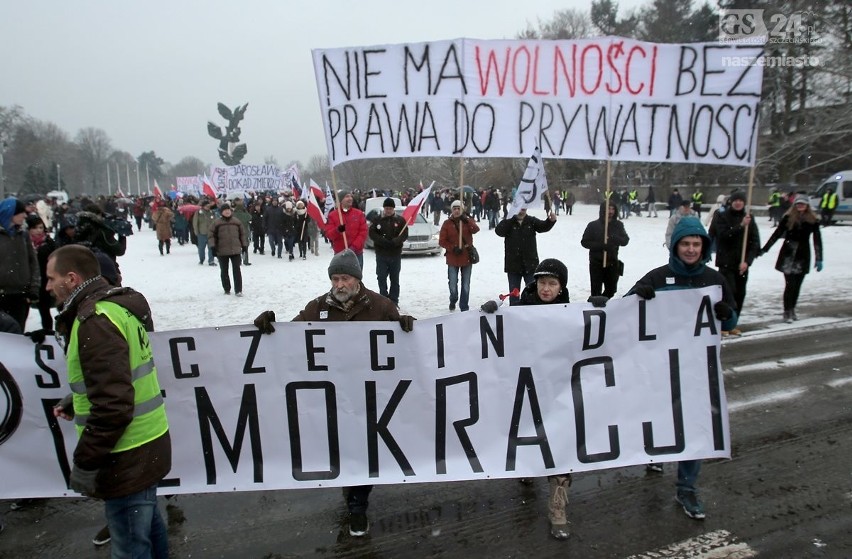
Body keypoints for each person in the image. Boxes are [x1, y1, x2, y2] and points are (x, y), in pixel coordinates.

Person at [253, 248, 415, 537]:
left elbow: (403, 344)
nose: (339, 285)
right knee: (344, 447)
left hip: (369, 397)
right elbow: (290, 337)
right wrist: (269, 326)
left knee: (365, 450)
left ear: (357, 279)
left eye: (344, 279)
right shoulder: (317, 308)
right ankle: (350, 486)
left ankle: (358, 506)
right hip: (333, 397)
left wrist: (407, 327)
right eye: (334, 279)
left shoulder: (380, 306)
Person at [46, 244, 171, 558]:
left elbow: (114, 406)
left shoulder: (96, 321)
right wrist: (80, 397)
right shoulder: (114, 308)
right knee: (147, 525)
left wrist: (86, 462)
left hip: (126, 453)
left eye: (51, 278)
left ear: (72, 278)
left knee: (130, 545)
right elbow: (119, 376)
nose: (47, 286)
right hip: (145, 442)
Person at [626, 216, 737, 521]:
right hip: (659, 369)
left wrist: (726, 315)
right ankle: (656, 453)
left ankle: (686, 488)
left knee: (695, 427)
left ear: (704, 246)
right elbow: (622, 313)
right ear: (675, 246)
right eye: (685, 243)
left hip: (697, 370)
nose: (690, 249)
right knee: (661, 418)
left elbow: (731, 320)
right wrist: (639, 294)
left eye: (696, 244)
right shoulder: (658, 277)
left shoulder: (715, 280)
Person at [759, 194, 823, 322]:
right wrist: (765, 249)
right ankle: (787, 310)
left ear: (807, 206)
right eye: (798, 204)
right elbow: (777, 234)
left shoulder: (812, 220)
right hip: (788, 254)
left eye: (803, 204)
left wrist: (819, 258)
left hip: (803, 254)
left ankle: (792, 308)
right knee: (790, 285)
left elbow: (817, 240)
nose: (800, 206)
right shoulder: (788, 218)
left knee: (797, 285)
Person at [711, 190, 760, 334]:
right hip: (726, 263)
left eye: (741, 200)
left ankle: (733, 323)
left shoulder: (749, 218)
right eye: (735, 200)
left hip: (742, 265)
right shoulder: (722, 216)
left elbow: (754, 242)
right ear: (731, 202)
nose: (738, 203)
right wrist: (741, 226)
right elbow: (723, 236)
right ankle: (723, 323)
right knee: (728, 294)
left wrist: (747, 262)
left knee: (740, 294)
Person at [495, 207, 557, 305]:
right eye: (519, 209)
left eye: (523, 209)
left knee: (532, 293)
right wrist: (510, 219)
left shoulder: (531, 221)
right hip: (513, 265)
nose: (521, 211)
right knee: (514, 294)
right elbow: (499, 231)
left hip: (530, 264)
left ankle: (531, 313)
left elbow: (543, 227)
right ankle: (515, 313)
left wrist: (551, 221)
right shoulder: (509, 222)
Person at [0, 198, 39, 330]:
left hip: (21, 296)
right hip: (1, 295)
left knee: (17, 332)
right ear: (10, 213)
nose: (25, 215)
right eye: (21, 212)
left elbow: (33, 262)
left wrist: (33, 289)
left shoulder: (23, 235)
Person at [580, 200, 629, 299]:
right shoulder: (593, 225)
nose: (610, 211)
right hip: (596, 263)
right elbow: (584, 242)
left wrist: (614, 238)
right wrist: (601, 245)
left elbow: (625, 241)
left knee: (611, 290)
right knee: (596, 290)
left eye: (612, 209)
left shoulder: (618, 225)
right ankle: (595, 306)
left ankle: (604, 302)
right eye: (608, 209)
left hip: (612, 262)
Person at [439, 200, 480, 311]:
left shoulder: (467, 221)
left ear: (462, 210)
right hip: (453, 258)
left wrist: (467, 220)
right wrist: (453, 248)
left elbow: (476, 229)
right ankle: (453, 299)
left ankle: (464, 307)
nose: (456, 211)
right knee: (453, 285)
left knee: (465, 284)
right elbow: (442, 241)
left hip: (466, 257)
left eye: (459, 208)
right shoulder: (447, 224)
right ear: (452, 210)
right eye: (454, 208)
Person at [368, 197, 408, 305]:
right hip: (381, 254)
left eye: (390, 208)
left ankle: (394, 301)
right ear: (384, 208)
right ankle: (383, 299)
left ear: (393, 209)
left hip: (395, 254)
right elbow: (372, 233)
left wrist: (396, 241)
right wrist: (382, 241)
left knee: (394, 279)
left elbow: (404, 234)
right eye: (386, 208)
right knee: (381, 277)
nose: (388, 210)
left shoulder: (400, 220)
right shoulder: (377, 220)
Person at [209, 203, 248, 296]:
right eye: (225, 210)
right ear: (221, 212)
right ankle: (227, 288)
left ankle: (238, 290)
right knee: (224, 270)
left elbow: (242, 234)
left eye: (228, 210)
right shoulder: (216, 223)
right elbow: (211, 235)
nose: (227, 212)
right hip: (222, 250)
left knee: (237, 270)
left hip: (235, 249)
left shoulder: (236, 222)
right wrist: (213, 246)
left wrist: (244, 245)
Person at [27, 215, 58, 331]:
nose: (39, 230)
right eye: (35, 228)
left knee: (44, 310)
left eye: (41, 227)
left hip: (46, 280)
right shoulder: (25, 243)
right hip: (30, 281)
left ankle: (48, 331)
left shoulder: (49, 243)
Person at [325, 192, 368, 268]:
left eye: (351, 196)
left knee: (355, 278)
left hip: (356, 254)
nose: (350, 198)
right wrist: (337, 230)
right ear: (341, 200)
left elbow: (363, 233)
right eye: (347, 196)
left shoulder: (359, 214)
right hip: (340, 254)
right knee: (341, 278)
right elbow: (329, 235)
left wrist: (353, 247)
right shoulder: (333, 215)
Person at [192, 201, 217, 266]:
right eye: (206, 206)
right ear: (203, 206)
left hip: (211, 233)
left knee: (211, 247)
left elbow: (215, 222)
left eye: (209, 206)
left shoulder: (211, 213)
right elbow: (195, 222)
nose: (208, 207)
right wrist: (196, 231)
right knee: (201, 248)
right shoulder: (199, 213)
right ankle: (201, 259)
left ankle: (211, 260)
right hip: (202, 233)